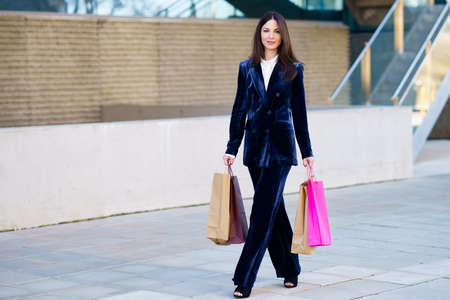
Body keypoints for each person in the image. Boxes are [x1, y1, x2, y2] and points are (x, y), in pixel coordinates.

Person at [223, 11, 314, 298]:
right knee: (274, 212)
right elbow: (239, 110)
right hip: (254, 149)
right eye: (266, 30)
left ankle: (244, 278)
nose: (271, 35)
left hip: (281, 151)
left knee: (262, 212)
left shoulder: (293, 69)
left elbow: (299, 114)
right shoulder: (246, 67)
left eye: (276, 31)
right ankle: (291, 268)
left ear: (283, 35)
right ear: (259, 34)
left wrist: (307, 152)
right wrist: (231, 146)